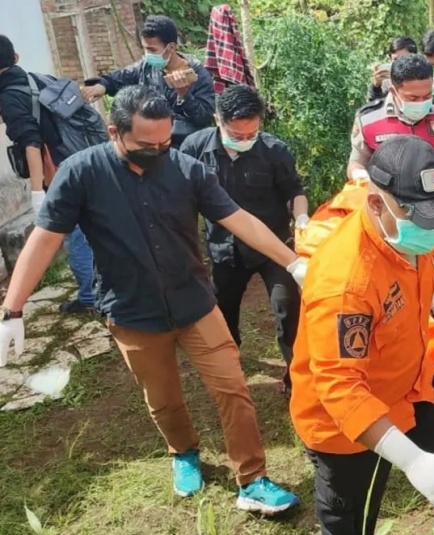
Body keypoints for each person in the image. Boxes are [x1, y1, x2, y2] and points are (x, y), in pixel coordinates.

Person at [0, 85, 306, 513]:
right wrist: (13, 308)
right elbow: (45, 239)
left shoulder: (186, 169)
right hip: (132, 311)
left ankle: (252, 479)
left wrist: (293, 264)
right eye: (146, 145)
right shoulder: (80, 174)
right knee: (162, 398)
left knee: (233, 387)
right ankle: (183, 454)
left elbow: (239, 219)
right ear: (114, 132)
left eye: (165, 142)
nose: (158, 151)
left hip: (195, 302)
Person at [290, 135, 434, 535]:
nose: (432, 231)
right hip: (348, 417)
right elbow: (341, 387)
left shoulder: (404, 233)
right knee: (353, 519)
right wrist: (413, 460)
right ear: (376, 204)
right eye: (420, 218)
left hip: (412, 383)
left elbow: (404, 282)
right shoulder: (345, 284)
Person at [180, 84, 306, 396]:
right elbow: (179, 196)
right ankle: (229, 369)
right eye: (237, 135)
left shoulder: (274, 151)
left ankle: (296, 377)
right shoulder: (194, 149)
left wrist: (301, 219)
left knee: (288, 308)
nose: (246, 141)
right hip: (226, 249)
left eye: (252, 134)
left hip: (274, 247)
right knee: (223, 312)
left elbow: (294, 192)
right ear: (217, 121)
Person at [347, 54, 434, 293]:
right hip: (397, 214)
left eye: (427, 96)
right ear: (393, 91)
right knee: (401, 279)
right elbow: (354, 164)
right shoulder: (369, 119)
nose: (422, 103)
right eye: (413, 98)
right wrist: (362, 177)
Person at [0, 35, 97, 315]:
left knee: (74, 232)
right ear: (16, 57)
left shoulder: (9, 96)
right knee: (90, 226)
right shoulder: (35, 80)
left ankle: (90, 297)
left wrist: (37, 193)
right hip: (82, 156)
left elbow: (31, 143)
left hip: (59, 170)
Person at [81, 15, 215, 148]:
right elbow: (119, 78)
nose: (147, 54)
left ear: (171, 47)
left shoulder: (198, 75)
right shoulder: (146, 67)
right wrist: (102, 86)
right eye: (145, 48)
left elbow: (204, 118)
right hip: (150, 143)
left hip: (184, 146)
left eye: (152, 50)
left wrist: (184, 95)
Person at [368, 36, 418, 102]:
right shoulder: (386, 77)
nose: (400, 63)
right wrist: (376, 86)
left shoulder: (426, 77)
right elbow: (374, 104)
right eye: (396, 59)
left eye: (404, 59)